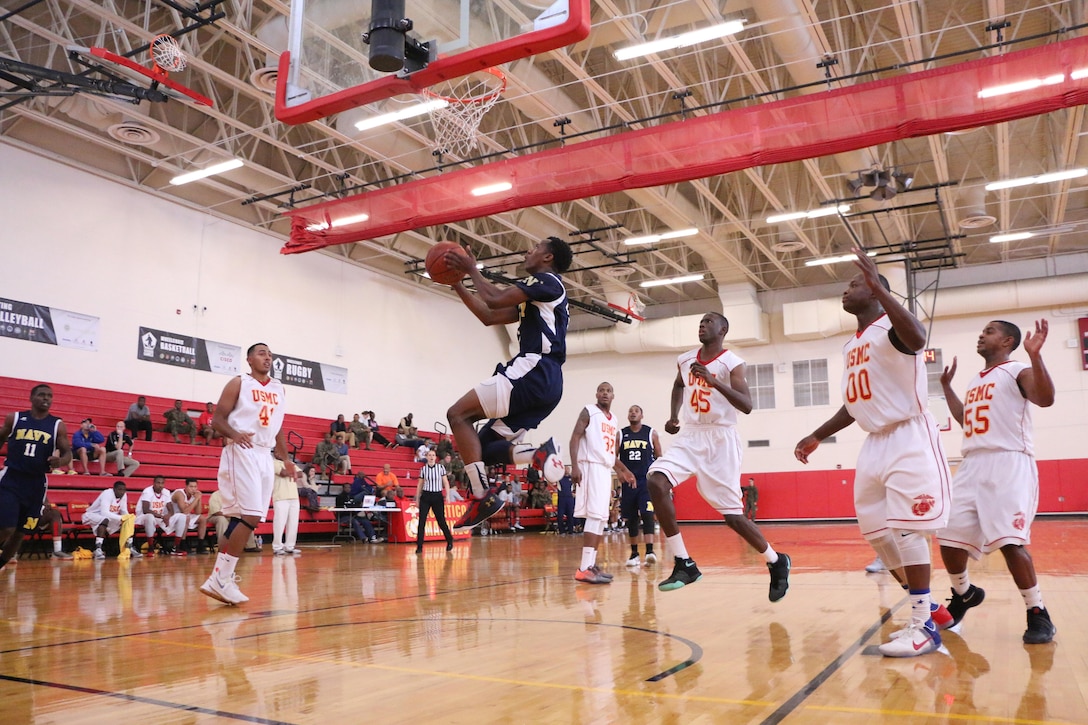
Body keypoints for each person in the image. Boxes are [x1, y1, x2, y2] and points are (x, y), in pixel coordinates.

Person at [794, 249, 951, 658]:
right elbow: (853, 405)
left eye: (854, 284)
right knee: (877, 534)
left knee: (908, 530)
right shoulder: (853, 344)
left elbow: (918, 338)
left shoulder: (892, 328)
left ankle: (923, 627)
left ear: (876, 291)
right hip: (874, 442)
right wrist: (816, 435)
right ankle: (930, 607)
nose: (846, 290)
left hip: (909, 435)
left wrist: (882, 290)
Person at [649, 313, 792, 601]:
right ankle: (684, 563)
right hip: (690, 435)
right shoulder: (686, 359)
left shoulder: (732, 362)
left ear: (723, 329)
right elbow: (679, 384)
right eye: (701, 321)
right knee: (655, 481)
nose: (702, 325)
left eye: (709, 321)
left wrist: (714, 382)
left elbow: (747, 405)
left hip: (721, 439)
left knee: (733, 517)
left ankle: (777, 561)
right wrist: (674, 415)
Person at [937, 319, 1057, 644]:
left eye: (989, 331)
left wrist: (1036, 357)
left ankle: (1038, 612)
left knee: (1010, 542)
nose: (981, 334)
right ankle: (963, 593)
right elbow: (966, 421)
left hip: (1008, 462)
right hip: (972, 464)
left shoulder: (1017, 369)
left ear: (1007, 341)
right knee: (948, 536)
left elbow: (1045, 398)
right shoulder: (977, 379)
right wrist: (947, 388)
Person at [442, 236, 574, 530]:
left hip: (534, 370)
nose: (530, 250)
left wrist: (472, 269)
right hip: (547, 384)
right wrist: (458, 284)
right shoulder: (537, 297)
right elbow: (489, 316)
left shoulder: (548, 282)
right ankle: (538, 455)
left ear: (548, 257)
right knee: (486, 449)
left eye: (537, 247)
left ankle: (480, 495)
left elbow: (494, 298)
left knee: (457, 415)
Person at [200, 343, 296, 604]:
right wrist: (234, 434)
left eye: (271, 354)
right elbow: (217, 419)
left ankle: (221, 578)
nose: (268, 357)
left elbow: (277, 427)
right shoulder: (238, 382)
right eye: (262, 353)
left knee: (240, 520)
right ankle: (221, 579)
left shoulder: (278, 388)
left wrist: (286, 459)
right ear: (249, 359)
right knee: (250, 515)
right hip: (242, 449)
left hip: (265, 455)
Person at [569, 382, 636, 584]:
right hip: (589, 467)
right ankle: (583, 568)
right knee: (593, 516)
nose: (605, 393)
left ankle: (590, 565)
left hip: (604, 469)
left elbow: (608, 453)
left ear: (613, 396)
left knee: (600, 518)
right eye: (601, 390)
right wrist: (574, 466)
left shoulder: (614, 419)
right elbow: (575, 438)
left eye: (608, 391)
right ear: (596, 394)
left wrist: (624, 470)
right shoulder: (589, 411)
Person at [0, 385, 71, 570]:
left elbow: (68, 454)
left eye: (49, 396)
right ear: (31, 398)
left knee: (20, 532)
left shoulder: (57, 425)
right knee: (7, 527)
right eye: (41, 395)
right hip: (12, 479)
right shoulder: (14, 418)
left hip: (36, 484)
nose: (46, 398)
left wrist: (60, 461)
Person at [619, 404, 662, 567]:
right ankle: (634, 553)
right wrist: (620, 472)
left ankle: (650, 551)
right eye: (630, 411)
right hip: (629, 481)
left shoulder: (651, 433)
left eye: (636, 411)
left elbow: (659, 456)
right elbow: (613, 457)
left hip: (646, 481)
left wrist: (657, 475)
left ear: (642, 415)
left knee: (647, 513)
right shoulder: (621, 434)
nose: (633, 413)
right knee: (631, 518)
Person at [83, 480, 138, 559]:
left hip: (109, 516)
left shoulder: (123, 495)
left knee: (128, 522)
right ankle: (98, 548)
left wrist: (128, 519)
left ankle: (129, 547)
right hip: (92, 515)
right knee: (105, 519)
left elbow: (123, 511)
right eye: (120, 489)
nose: (122, 492)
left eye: (124, 490)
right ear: (114, 489)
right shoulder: (107, 494)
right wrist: (122, 518)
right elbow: (104, 512)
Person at [415, 448, 454, 553]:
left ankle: (449, 540)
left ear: (435, 457)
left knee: (441, 521)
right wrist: (417, 498)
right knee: (421, 521)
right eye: (429, 455)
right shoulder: (423, 469)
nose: (431, 457)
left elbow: (446, 482)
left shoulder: (440, 468)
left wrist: (448, 495)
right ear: (426, 457)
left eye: (433, 455)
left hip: (437, 496)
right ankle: (419, 546)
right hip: (426, 496)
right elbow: (420, 485)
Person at [137, 476, 180, 556]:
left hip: (159, 517)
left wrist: (168, 516)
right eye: (158, 483)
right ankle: (151, 547)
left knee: (181, 517)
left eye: (162, 483)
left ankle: (176, 547)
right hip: (143, 517)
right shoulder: (147, 491)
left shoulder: (166, 492)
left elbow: (171, 510)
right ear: (154, 483)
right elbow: (145, 510)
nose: (160, 485)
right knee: (149, 517)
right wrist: (162, 516)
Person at [207, 488, 258, 553]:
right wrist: (232, 515)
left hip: (232, 516)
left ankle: (250, 546)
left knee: (246, 520)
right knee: (222, 520)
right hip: (216, 516)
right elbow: (216, 512)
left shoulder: (236, 495)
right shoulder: (216, 495)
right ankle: (223, 546)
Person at [170, 478, 209, 555]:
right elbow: (184, 511)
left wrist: (199, 499)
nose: (193, 489)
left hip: (184, 515)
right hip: (172, 516)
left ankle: (200, 545)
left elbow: (198, 512)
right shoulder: (179, 494)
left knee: (202, 519)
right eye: (191, 487)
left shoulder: (194, 495)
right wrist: (196, 499)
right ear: (186, 486)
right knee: (186, 518)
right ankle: (183, 544)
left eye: (195, 487)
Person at [271, 459, 301, 556]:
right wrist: (293, 472)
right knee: (279, 523)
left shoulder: (290, 463)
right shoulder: (273, 462)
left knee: (293, 523)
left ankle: (290, 546)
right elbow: (282, 473)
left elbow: (301, 473)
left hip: (294, 496)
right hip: (280, 496)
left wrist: (291, 472)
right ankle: (277, 546)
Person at [556, 466, 575, 535]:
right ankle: (561, 530)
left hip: (569, 498)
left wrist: (574, 493)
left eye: (568, 469)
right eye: (566, 469)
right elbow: (550, 481)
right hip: (562, 498)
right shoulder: (559, 478)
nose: (567, 470)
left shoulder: (572, 478)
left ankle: (571, 530)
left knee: (570, 514)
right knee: (560, 515)